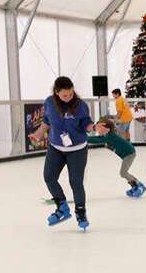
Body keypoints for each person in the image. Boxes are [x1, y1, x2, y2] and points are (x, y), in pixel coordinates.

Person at [29, 76, 101, 231]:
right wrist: (39, 134)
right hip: (56, 147)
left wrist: (95, 127)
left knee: (76, 182)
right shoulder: (49, 102)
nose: (68, 98)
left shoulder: (80, 105)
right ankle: (62, 208)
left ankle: (81, 212)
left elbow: (86, 124)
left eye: (70, 94)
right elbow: (47, 122)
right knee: (49, 177)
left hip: (77, 149)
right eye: (64, 95)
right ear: (56, 92)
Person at [88, 117, 146, 198]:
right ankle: (135, 186)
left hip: (129, 154)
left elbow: (97, 140)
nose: (98, 130)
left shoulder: (110, 136)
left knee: (123, 173)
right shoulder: (108, 135)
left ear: (107, 129)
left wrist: (83, 138)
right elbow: (99, 138)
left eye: (100, 128)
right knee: (123, 173)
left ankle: (140, 186)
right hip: (127, 154)